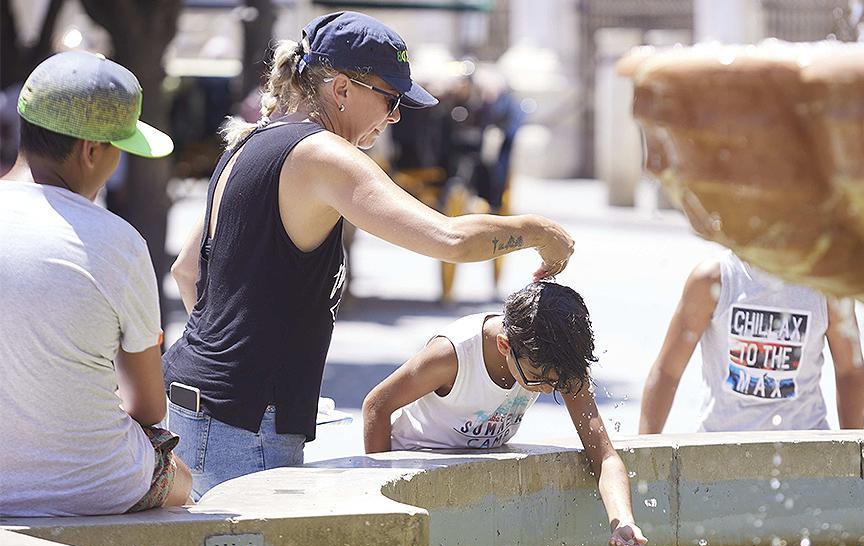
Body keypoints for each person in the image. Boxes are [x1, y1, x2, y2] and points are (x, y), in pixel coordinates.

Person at [164, 11, 574, 499]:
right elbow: (449, 239)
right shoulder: (323, 155)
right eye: (390, 99)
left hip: (200, 405)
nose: (395, 115)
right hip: (244, 423)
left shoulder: (251, 141)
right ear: (341, 89)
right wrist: (538, 230)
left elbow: (187, 270)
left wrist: (241, 361)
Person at [0, 51, 192, 516]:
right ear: (90, 150)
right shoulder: (117, 242)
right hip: (96, 483)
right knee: (184, 481)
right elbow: (148, 407)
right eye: (118, 150)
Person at [363, 282, 647, 546]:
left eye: (557, 383)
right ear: (504, 346)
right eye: (538, 380)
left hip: (474, 480)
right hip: (416, 465)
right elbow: (376, 405)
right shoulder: (451, 356)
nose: (548, 390)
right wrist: (383, 508)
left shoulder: (557, 362)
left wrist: (623, 522)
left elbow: (604, 455)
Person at [638, 250, 864, 434]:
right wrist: (645, 456)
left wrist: (854, 458)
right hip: (721, 448)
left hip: (805, 444)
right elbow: (668, 371)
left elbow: (850, 372)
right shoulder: (714, 279)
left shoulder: (826, 287)